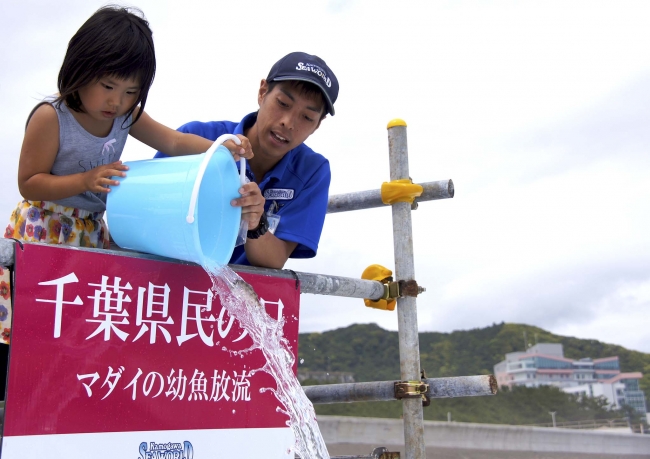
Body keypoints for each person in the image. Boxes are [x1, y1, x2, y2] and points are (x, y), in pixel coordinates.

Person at [2, 5, 255, 348]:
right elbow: (29, 182)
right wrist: (85, 181)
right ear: (80, 67)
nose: (117, 101)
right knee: (25, 329)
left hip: (89, 231)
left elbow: (174, 140)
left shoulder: (126, 117)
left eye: (130, 92)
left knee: (67, 333)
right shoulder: (52, 118)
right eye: (108, 86)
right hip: (44, 227)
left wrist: (221, 149)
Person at [155, 52, 339, 269]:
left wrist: (255, 222)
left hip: (241, 296)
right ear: (262, 92)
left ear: (317, 125)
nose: (288, 123)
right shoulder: (195, 137)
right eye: (283, 103)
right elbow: (146, 215)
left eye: (307, 118)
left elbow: (275, 259)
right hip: (169, 281)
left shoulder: (313, 172)